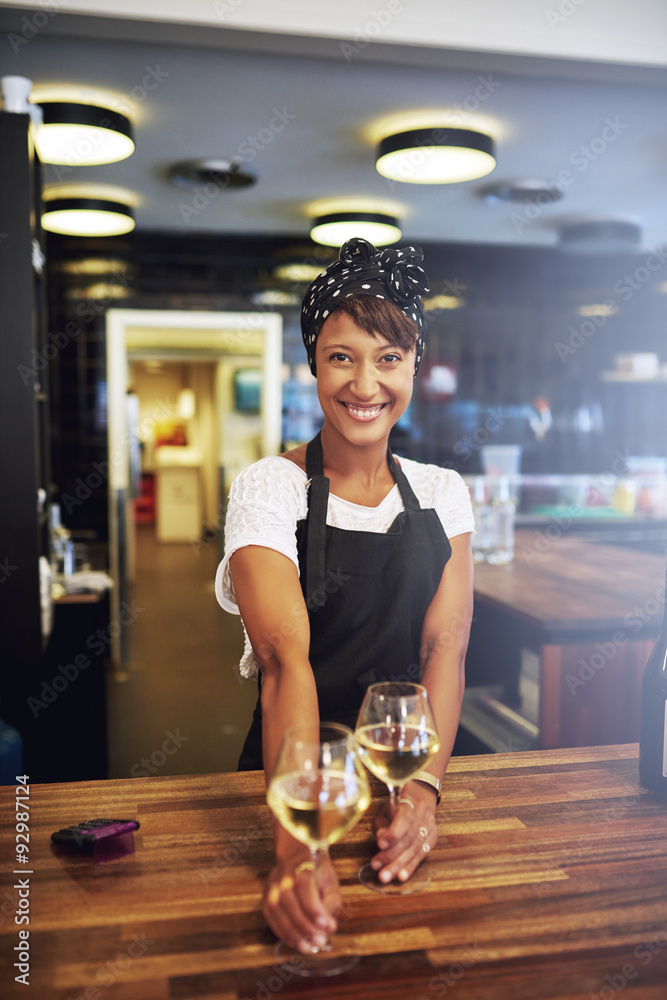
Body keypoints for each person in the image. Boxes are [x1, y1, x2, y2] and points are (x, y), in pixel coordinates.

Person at [215, 237, 474, 955]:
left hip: (398, 766)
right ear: (312, 364)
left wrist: (422, 790)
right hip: (291, 778)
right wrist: (299, 843)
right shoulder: (271, 487)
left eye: (388, 358)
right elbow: (281, 662)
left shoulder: (443, 493)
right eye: (342, 357)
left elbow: (443, 648)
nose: (366, 384)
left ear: (414, 366)